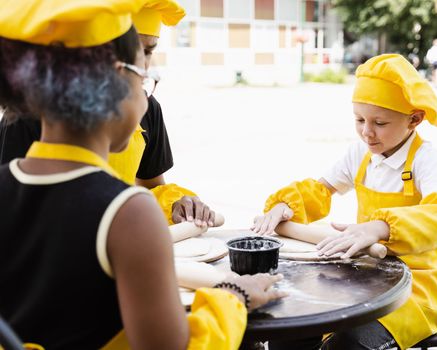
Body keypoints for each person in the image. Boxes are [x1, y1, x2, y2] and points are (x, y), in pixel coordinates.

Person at [0, 1, 285, 349]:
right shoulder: (129, 212)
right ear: (115, 81)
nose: (148, 99)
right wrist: (234, 295)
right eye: (144, 76)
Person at [252, 54, 437, 350]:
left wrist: (379, 227)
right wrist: (286, 205)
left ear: (414, 119)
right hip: (366, 272)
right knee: (291, 329)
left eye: (379, 122)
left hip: (416, 284)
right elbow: (321, 189)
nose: (367, 131)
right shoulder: (360, 154)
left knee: (348, 344)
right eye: (359, 119)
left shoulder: (425, 160)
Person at [0, 0, 213, 229]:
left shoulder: (149, 109)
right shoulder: (27, 116)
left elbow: (150, 186)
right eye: (129, 54)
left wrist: (172, 205)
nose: (141, 66)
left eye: (149, 50)